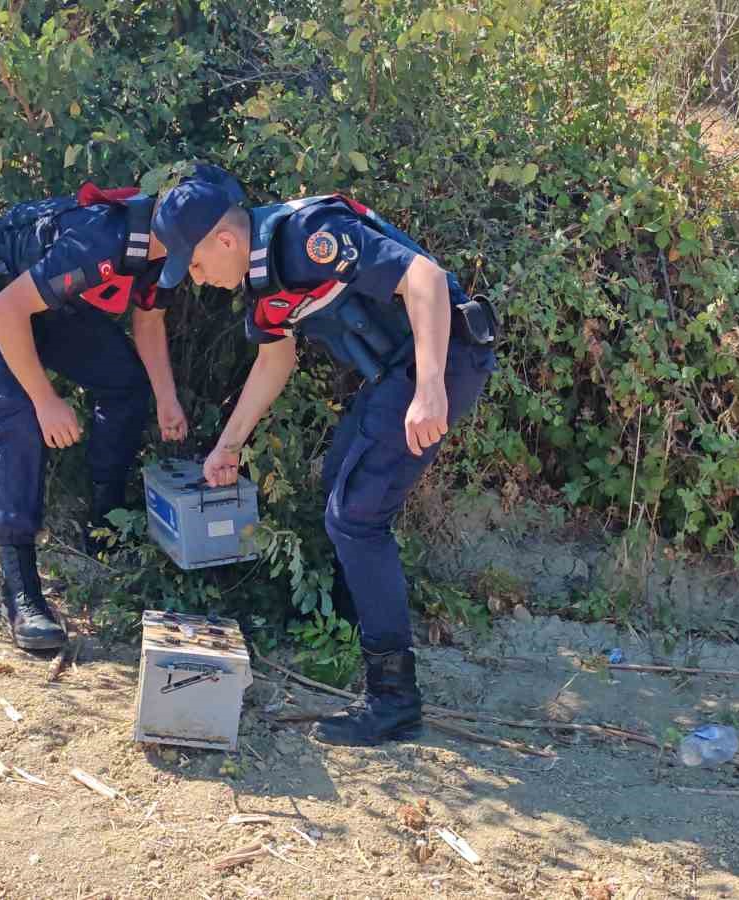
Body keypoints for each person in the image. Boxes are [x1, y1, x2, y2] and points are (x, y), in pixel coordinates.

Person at [152, 178, 498, 746]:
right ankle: (351, 631)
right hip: (397, 372)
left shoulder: (306, 236)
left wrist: (431, 387)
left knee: (357, 518)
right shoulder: (263, 285)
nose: (197, 280)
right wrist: (229, 446)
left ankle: (393, 698)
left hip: (442, 356)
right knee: (340, 482)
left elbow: (425, 279)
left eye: (193, 265)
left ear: (224, 239)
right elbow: (273, 361)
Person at [0, 165, 244, 653]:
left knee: (125, 384)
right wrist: (45, 400)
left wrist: (166, 398)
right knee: (19, 421)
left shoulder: (166, 251)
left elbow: (148, 323)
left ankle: (102, 522)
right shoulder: (100, 241)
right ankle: (21, 590)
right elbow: (6, 312)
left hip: (42, 299)